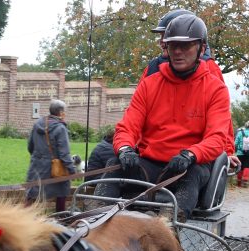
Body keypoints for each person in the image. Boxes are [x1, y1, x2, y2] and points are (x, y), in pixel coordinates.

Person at [98, 15, 231, 222]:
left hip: (188, 167)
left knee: (192, 175)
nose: (177, 51)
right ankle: (95, 224)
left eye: (185, 46)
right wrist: (125, 149)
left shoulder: (216, 89)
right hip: (150, 163)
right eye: (172, 45)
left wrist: (190, 155)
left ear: (201, 49)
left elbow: (216, 139)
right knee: (114, 163)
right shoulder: (150, 84)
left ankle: (169, 228)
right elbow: (127, 126)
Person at [141, 8, 238, 169]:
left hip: (191, 157)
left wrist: (227, 152)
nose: (163, 41)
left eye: (166, 35)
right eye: (162, 37)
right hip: (152, 151)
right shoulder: (153, 67)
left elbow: (221, 118)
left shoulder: (209, 68)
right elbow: (138, 112)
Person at [25, 99, 75, 212]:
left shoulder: (37, 124)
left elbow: (30, 147)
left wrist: (38, 158)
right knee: (62, 189)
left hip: (36, 166)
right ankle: (61, 218)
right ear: (61, 113)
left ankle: (24, 217)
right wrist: (72, 171)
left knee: (32, 193)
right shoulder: (60, 128)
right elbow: (64, 154)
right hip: (53, 169)